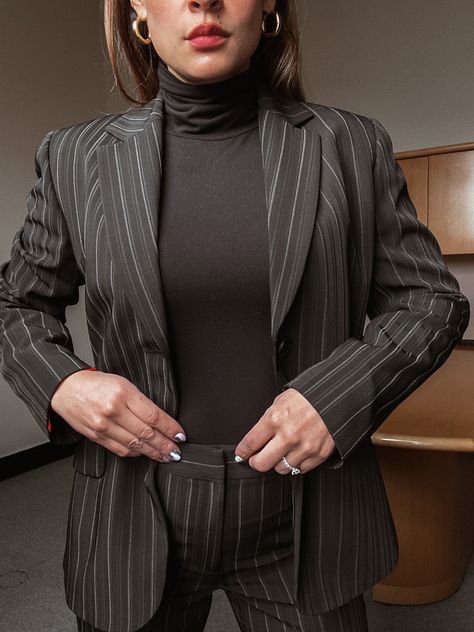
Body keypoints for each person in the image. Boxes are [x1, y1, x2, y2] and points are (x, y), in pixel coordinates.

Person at [0, 0, 469, 631]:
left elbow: (432, 300)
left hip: (309, 514)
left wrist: (337, 396)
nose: (204, 1)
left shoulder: (351, 145)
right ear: (136, 7)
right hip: (134, 512)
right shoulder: (74, 157)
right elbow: (15, 304)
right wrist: (63, 383)